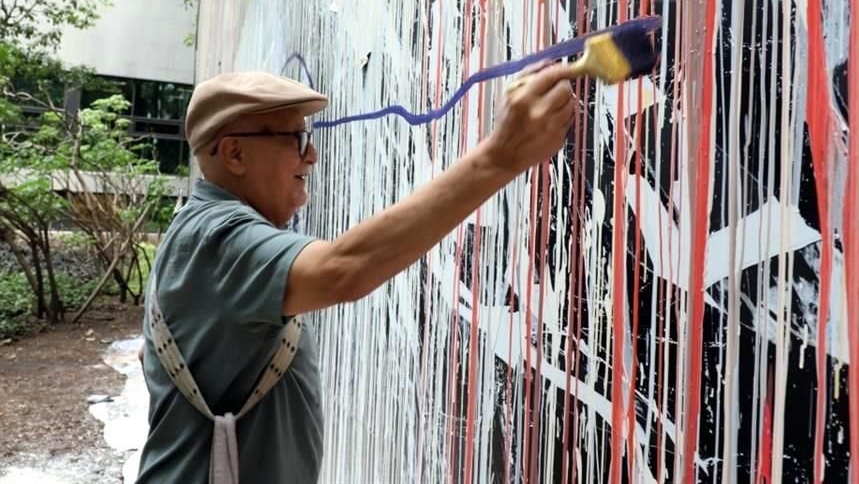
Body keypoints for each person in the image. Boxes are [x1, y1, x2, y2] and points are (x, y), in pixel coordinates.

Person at [136, 65, 576, 483]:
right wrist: (498, 159)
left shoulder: (200, 232)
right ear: (234, 152)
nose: (311, 154)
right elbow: (342, 270)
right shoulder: (217, 237)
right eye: (296, 137)